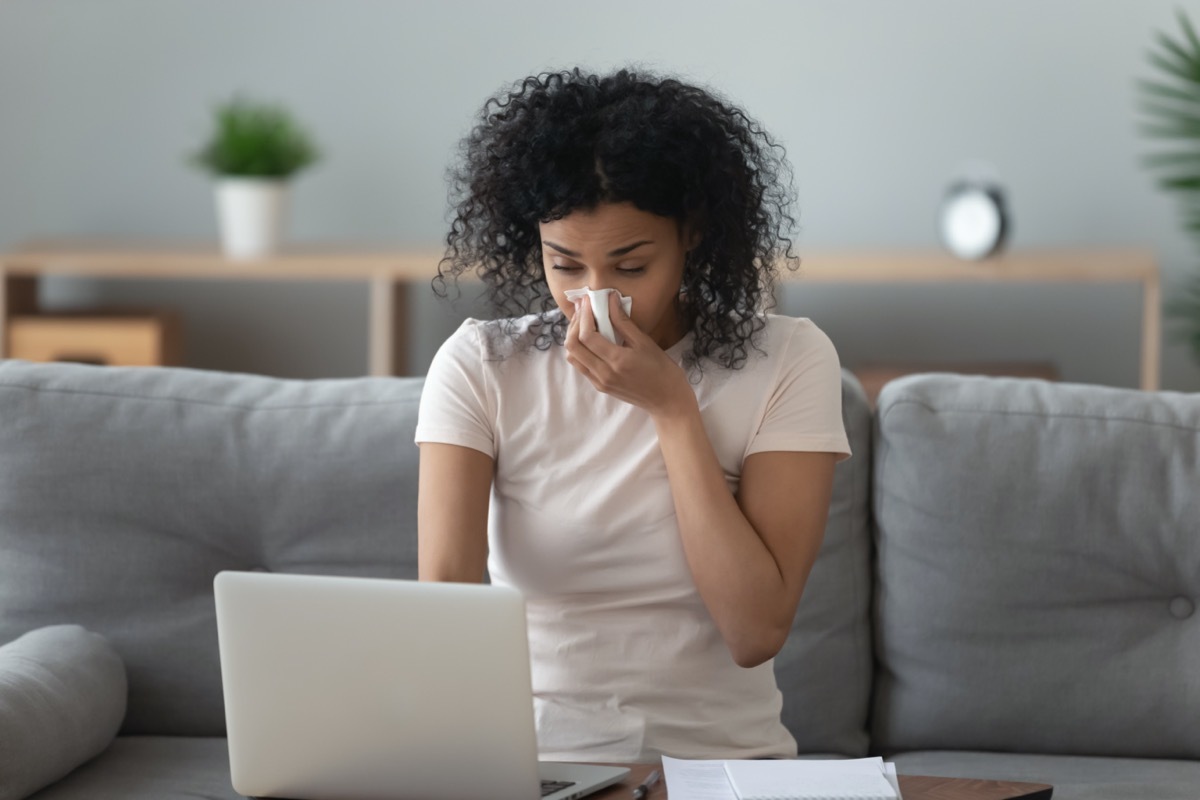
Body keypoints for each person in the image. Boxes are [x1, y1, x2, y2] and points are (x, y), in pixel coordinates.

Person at [414, 66, 851, 764]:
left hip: (720, 766)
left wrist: (674, 409)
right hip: (535, 766)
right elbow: (447, 620)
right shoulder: (482, 367)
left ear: (694, 236)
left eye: (630, 267)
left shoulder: (790, 359)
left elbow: (755, 631)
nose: (595, 299)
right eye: (565, 266)